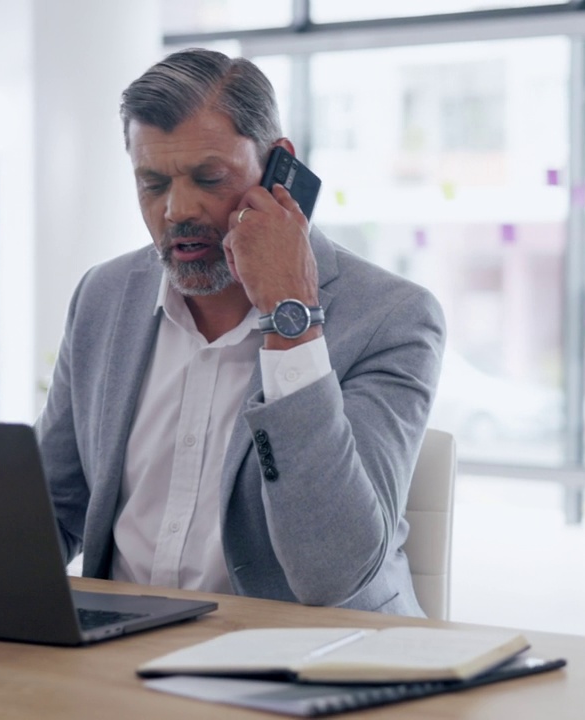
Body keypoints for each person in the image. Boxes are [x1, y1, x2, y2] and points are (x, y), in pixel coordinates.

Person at [35, 48, 445, 616]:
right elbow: (50, 512)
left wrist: (290, 315)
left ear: (278, 168)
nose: (178, 210)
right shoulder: (103, 297)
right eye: (152, 184)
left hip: (314, 660)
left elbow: (336, 570)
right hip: (121, 658)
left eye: (209, 178)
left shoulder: (392, 317)